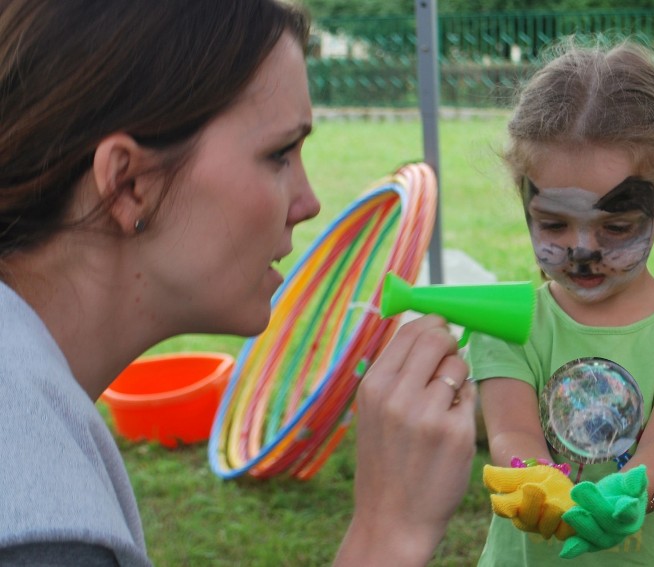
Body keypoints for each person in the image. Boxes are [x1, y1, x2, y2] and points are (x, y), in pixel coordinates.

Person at [0, 1, 475, 566]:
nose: (308, 202)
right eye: (278, 154)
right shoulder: (41, 530)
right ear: (127, 185)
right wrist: (388, 533)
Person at [468, 39, 654, 566]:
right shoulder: (507, 324)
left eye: (615, 226)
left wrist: (623, 499)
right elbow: (511, 431)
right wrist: (538, 484)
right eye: (553, 223)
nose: (581, 250)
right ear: (524, 199)